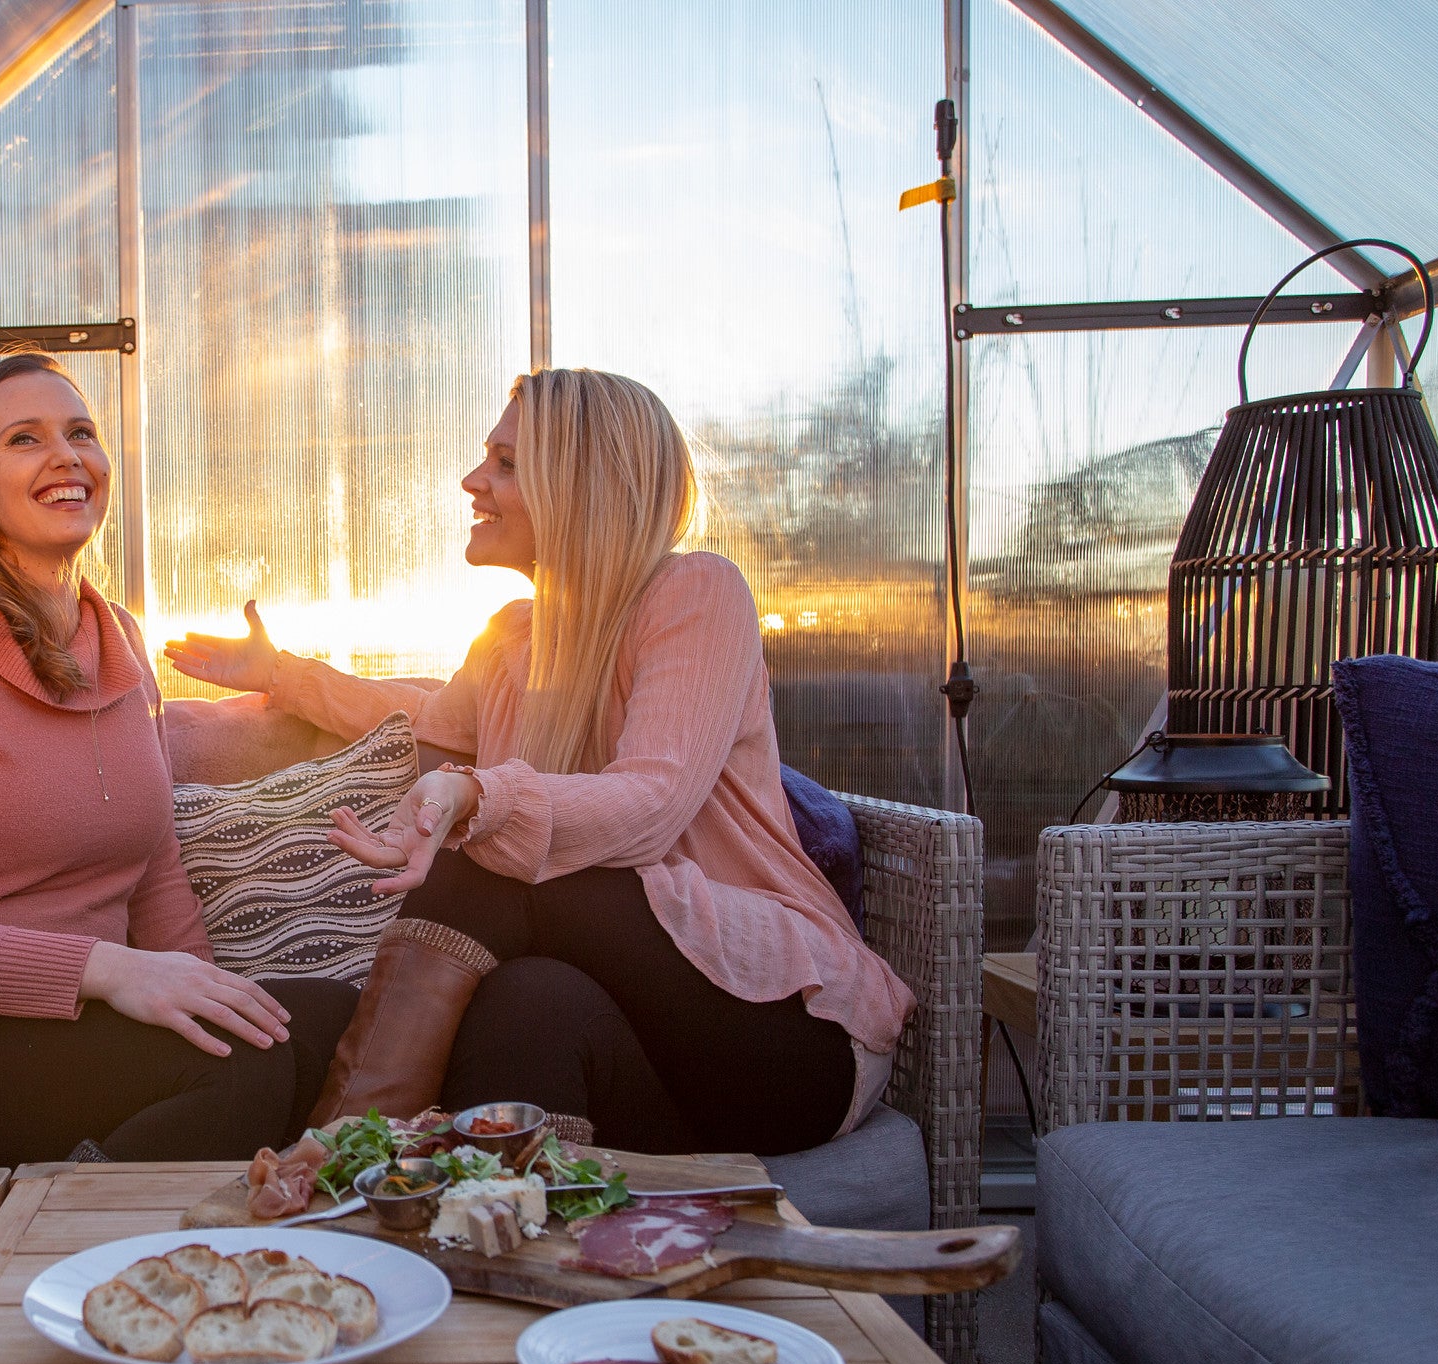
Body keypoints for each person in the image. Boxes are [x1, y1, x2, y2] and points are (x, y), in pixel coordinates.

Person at [164, 368, 912, 1156]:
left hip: (777, 1036)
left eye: (506, 462)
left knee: (489, 859)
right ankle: (495, 1227)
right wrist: (281, 674)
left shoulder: (695, 594)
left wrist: (474, 797)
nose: (471, 480)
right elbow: (422, 717)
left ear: (583, 484)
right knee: (527, 999)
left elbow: (650, 802)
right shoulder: (516, 638)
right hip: (647, 1065)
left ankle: (338, 1153)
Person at [0, 351, 357, 1171]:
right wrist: (110, 971)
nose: (66, 455)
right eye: (25, 439)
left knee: (339, 1019)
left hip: (66, 1034)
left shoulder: (122, 643)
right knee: (245, 1061)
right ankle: (80, 1257)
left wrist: (197, 992)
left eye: (82, 433)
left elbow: (157, 867)